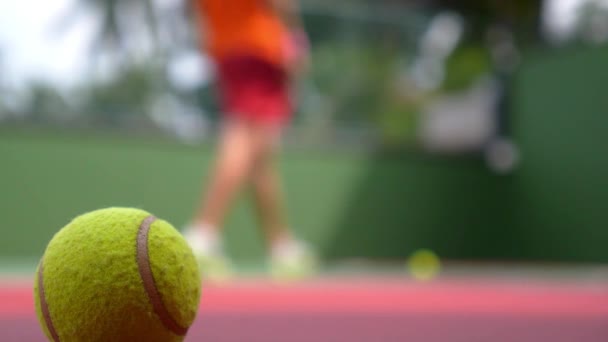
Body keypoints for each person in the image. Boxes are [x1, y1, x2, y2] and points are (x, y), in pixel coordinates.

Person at [184, 0, 315, 281]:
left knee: (260, 158)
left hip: (225, 48)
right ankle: (202, 233)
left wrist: (207, 37)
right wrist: (296, 41)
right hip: (261, 47)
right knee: (244, 139)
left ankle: (280, 246)